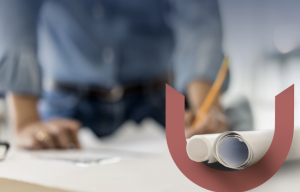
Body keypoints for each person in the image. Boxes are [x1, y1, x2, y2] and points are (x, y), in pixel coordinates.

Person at [0, 0, 229, 150]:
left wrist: (205, 112)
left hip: (157, 103)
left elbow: (200, 25)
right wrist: (26, 122)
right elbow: (16, 21)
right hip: (62, 111)